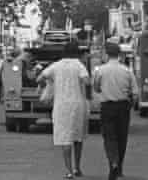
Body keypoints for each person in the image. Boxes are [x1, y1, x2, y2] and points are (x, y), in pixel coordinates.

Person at [38, 41, 90, 179]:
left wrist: (50, 84)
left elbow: (40, 78)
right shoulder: (79, 65)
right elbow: (87, 81)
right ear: (76, 52)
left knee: (65, 137)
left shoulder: (56, 65)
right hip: (78, 105)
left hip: (61, 106)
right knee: (77, 138)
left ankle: (68, 171)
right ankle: (77, 167)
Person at [93, 42, 136, 180]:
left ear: (106, 54)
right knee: (122, 137)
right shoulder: (127, 70)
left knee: (109, 137)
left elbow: (96, 88)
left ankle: (113, 162)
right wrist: (131, 104)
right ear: (120, 55)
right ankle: (119, 168)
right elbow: (135, 93)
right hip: (123, 106)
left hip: (107, 106)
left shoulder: (100, 70)